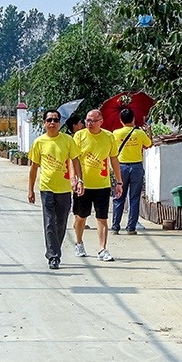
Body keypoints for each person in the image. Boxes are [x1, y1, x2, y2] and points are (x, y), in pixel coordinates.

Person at [27, 109, 84, 270]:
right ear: (44, 123)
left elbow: (75, 160)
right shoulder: (39, 142)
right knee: (50, 223)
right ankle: (53, 256)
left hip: (64, 189)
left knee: (61, 223)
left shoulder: (67, 140)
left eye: (55, 120)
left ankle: (54, 250)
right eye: (49, 120)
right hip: (47, 188)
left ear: (60, 123)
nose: (52, 123)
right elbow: (33, 168)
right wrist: (30, 190)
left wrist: (79, 180)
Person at [72, 109, 123, 262]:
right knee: (81, 216)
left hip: (102, 184)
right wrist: (74, 180)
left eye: (93, 121)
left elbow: (114, 159)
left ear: (101, 121)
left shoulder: (108, 137)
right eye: (87, 120)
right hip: (84, 184)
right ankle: (79, 242)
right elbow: (73, 159)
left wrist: (118, 182)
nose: (90, 123)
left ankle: (102, 249)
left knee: (102, 217)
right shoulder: (79, 136)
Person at [111, 107, 152, 235]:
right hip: (136, 168)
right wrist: (149, 131)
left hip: (121, 167)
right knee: (134, 198)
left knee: (119, 197)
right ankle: (131, 228)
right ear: (133, 119)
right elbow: (149, 144)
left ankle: (115, 227)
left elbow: (111, 150)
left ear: (121, 120)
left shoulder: (115, 133)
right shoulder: (139, 133)